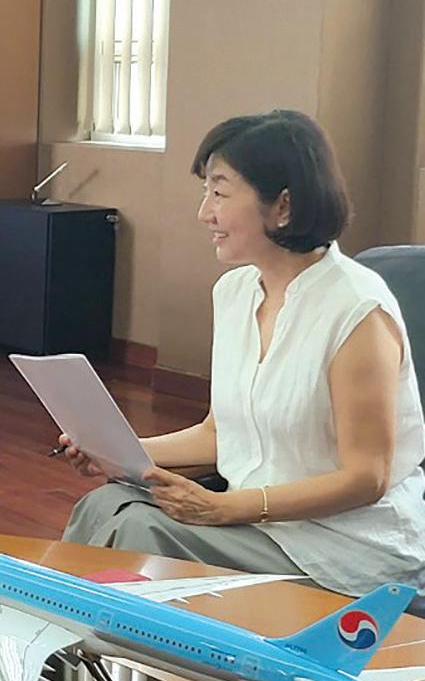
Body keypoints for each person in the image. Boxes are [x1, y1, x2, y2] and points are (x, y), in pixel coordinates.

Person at [61, 110, 425, 596]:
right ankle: (62, 636)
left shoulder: (356, 309)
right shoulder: (234, 293)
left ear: (283, 206)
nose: (204, 213)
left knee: (139, 531)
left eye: (220, 192)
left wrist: (226, 508)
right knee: (105, 504)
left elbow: (367, 477)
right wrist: (116, 454)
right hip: (262, 525)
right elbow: (220, 434)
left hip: (346, 547)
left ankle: (71, 636)